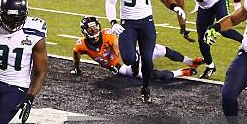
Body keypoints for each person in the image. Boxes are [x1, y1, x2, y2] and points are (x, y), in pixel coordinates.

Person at [104, 0, 188, 104]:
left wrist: (175, 7)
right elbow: (110, 2)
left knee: (148, 61)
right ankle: (135, 60)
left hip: (146, 22)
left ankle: (145, 88)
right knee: (128, 59)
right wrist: (113, 22)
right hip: (127, 23)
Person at [71, 16, 201, 81]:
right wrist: (76, 67)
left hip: (128, 58)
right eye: (90, 29)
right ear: (84, 31)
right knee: (147, 75)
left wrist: (130, 58)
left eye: (95, 28)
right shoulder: (81, 44)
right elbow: (76, 52)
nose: (94, 31)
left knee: (161, 50)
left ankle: (191, 62)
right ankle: (180, 72)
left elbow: (118, 48)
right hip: (123, 69)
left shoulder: (108, 35)